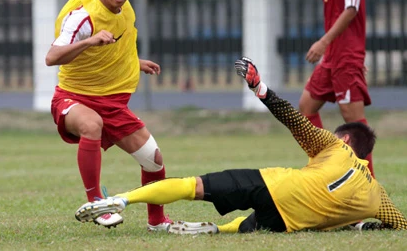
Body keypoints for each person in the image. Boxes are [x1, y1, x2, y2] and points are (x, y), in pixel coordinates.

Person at [74, 57, 407, 234]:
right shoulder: (377, 196)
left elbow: (294, 119)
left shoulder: (335, 147)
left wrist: (259, 87)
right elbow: (399, 224)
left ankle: (120, 199)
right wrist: (362, 224)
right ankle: (217, 231)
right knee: (252, 226)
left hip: (277, 188)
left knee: (196, 186)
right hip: (289, 223)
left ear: (345, 139)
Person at [45, 0, 173, 231]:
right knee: (92, 125)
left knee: (153, 160)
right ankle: (96, 203)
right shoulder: (83, 17)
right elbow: (51, 57)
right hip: (73, 97)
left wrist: (136, 62)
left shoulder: (125, 10)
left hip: (113, 103)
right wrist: (89, 40)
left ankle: (157, 221)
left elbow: (116, 45)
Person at [298, 0, 375, 177]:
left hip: (344, 53)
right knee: (306, 109)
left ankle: (369, 187)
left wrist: (324, 41)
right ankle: (325, 169)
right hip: (333, 55)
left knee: (353, 123)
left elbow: (352, 9)